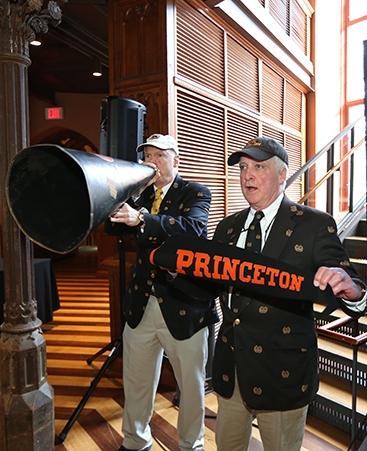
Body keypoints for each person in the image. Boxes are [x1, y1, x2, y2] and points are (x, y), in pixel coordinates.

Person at [209, 137, 367, 451]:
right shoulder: (226, 228)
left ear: (282, 175)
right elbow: (213, 287)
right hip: (232, 369)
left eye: (259, 167)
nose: (247, 176)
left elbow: (355, 291)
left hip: (282, 372)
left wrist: (350, 288)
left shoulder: (313, 225)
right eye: (243, 167)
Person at [108, 133, 217, 451]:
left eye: (159, 155)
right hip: (142, 304)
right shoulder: (140, 195)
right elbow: (111, 227)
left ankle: (190, 444)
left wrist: (142, 218)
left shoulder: (195, 192)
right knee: (137, 382)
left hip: (184, 305)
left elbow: (194, 228)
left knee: (191, 385)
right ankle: (135, 441)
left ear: (176, 160)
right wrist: (122, 196)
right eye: (147, 156)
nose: (151, 161)